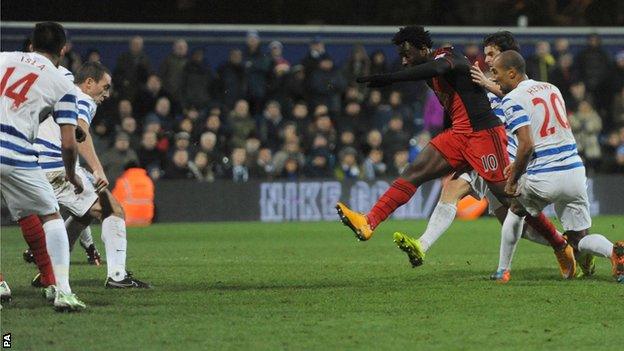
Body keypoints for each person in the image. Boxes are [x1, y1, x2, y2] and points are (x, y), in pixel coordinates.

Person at [392, 31, 575, 280]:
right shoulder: (482, 78)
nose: (487, 59)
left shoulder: (519, 84)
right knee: (500, 215)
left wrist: (488, 86)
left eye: (492, 54)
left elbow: (519, 105)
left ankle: (564, 246)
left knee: (512, 216)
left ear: (509, 57)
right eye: (486, 54)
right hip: (481, 149)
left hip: (504, 154)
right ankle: (566, 246)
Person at [336, 26, 512, 244]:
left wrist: (391, 78)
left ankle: (559, 243)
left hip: (483, 134)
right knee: (413, 172)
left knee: (506, 196)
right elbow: (453, 107)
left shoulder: (446, 54)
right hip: (459, 134)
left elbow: (438, 68)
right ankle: (369, 221)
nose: (404, 61)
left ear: (423, 49)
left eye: (407, 55)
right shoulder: (432, 74)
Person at [490, 50, 623, 283]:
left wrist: (513, 179)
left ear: (512, 73)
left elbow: (526, 145)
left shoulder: (512, 99)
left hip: (544, 174)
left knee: (515, 211)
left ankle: (502, 270)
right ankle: (613, 252)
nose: (494, 78)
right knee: (579, 238)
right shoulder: (552, 88)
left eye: (496, 72)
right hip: (574, 171)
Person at [35, 61, 151, 289]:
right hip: (57, 167)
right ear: (89, 83)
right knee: (112, 209)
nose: (107, 94)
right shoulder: (85, 99)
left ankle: (48, 272)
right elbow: (80, 132)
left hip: (35, 165)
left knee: (83, 214)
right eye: (105, 87)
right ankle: (117, 275)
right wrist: (97, 168)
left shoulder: (65, 87)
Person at [1, 22, 85, 311]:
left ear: (31, 44)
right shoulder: (63, 84)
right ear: (62, 50)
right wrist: (71, 175)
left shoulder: (2, 58)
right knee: (50, 216)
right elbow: (70, 143)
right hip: (15, 153)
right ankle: (63, 291)